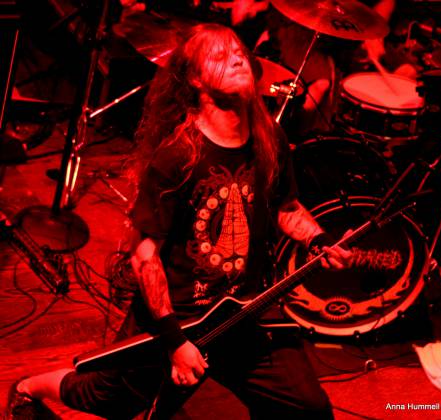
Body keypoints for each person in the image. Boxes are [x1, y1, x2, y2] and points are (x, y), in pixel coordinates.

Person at [6, 23, 352, 419]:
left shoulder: (269, 138)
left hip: (244, 310)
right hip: (179, 317)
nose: (237, 60)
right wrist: (174, 343)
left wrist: (318, 240)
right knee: (106, 399)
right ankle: (28, 386)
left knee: (308, 408)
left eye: (239, 53)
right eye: (220, 57)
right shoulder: (178, 156)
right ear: (196, 80)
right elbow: (144, 256)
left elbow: (285, 208)